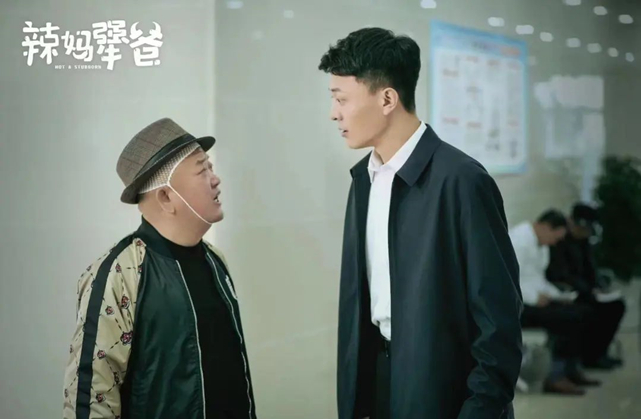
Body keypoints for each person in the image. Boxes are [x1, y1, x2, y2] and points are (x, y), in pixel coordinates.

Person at [319, 28, 522, 419]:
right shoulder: (365, 179)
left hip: (444, 390)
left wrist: (479, 409)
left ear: (387, 99)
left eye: (341, 99)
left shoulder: (462, 181)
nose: (334, 113)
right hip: (379, 379)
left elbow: (499, 322)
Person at [63, 118, 257, 419]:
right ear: (166, 197)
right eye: (202, 170)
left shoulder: (215, 260)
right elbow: (91, 398)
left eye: (211, 167)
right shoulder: (118, 274)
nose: (215, 179)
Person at [511, 209, 599, 396]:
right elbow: (506, 280)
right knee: (567, 318)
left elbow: (537, 279)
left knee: (583, 311)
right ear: (545, 227)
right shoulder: (518, 241)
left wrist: (558, 296)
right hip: (514, 307)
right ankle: (555, 378)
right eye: (556, 237)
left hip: (530, 300)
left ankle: (570, 370)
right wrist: (534, 298)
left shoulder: (540, 244)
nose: (555, 242)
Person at [546, 203, 625, 369]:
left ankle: (597, 353)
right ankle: (584, 357)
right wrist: (587, 290)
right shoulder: (559, 239)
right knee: (588, 310)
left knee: (616, 307)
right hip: (568, 291)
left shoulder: (584, 241)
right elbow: (559, 273)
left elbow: (590, 268)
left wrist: (599, 286)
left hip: (587, 290)